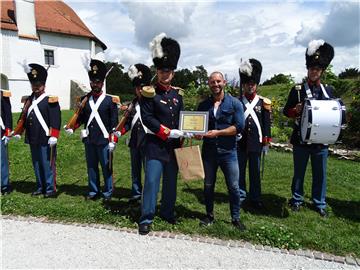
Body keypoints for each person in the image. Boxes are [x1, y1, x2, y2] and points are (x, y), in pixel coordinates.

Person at [138, 33, 187, 235]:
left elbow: (182, 116)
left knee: (170, 182)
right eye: (161, 70)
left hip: (174, 147)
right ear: (157, 72)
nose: (164, 74)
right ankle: (146, 217)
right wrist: (166, 132)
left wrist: (185, 131)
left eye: (167, 71)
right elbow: (147, 117)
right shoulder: (149, 93)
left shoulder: (178, 94)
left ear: (173, 73)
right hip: (156, 145)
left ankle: (167, 211)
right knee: (151, 182)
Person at [283, 40, 335, 217]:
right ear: (308, 69)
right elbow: (286, 112)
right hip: (301, 139)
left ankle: (319, 202)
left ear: (322, 71)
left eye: (317, 69)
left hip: (321, 141)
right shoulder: (297, 90)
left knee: (320, 174)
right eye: (312, 68)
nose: (314, 72)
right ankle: (297, 199)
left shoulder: (329, 90)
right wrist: (294, 110)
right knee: (299, 172)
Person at [197, 71, 246, 230]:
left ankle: (235, 218)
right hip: (209, 153)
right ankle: (209, 215)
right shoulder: (203, 105)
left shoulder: (235, 103)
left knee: (233, 186)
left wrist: (218, 133)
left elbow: (239, 127)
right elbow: (197, 126)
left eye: (218, 81)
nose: (216, 85)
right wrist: (197, 134)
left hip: (229, 152)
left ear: (224, 82)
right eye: (212, 82)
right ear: (209, 84)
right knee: (208, 185)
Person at [64, 59, 118, 202]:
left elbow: (114, 123)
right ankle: (93, 191)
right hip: (89, 139)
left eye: (98, 82)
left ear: (102, 83)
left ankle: (108, 192)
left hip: (104, 139)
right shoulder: (84, 100)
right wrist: (72, 127)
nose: (95, 85)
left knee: (107, 167)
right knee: (91, 167)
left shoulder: (109, 101)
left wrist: (113, 140)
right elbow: (81, 118)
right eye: (93, 82)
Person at [14, 63, 61, 198]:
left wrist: (54, 135)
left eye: (38, 84)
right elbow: (24, 116)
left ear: (44, 85)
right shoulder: (29, 100)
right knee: (36, 164)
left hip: (46, 138)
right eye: (33, 84)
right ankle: (40, 186)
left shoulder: (50, 100)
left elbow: (55, 119)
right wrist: (19, 131)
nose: (36, 87)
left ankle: (50, 188)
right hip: (33, 137)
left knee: (47, 164)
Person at [237, 59, 271, 210]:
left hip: (256, 143)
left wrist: (266, 140)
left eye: (252, 83)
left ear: (256, 84)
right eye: (247, 83)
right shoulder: (237, 102)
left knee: (255, 173)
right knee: (240, 172)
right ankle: (241, 195)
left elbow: (266, 122)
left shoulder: (262, 102)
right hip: (240, 143)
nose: (250, 86)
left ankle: (255, 197)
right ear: (243, 84)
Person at [118, 63, 152, 202]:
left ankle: (148, 195)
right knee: (135, 171)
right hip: (134, 142)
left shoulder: (153, 103)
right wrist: (121, 132)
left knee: (149, 172)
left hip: (148, 142)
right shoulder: (133, 104)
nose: (140, 90)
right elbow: (128, 122)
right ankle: (136, 193)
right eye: (137, 87)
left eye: (142, 87)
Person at [1, 89, 13, 195]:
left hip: (0, 132)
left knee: (2, 161)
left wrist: (8, 131)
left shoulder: (3, 95)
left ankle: (4, 185)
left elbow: (8, 114)